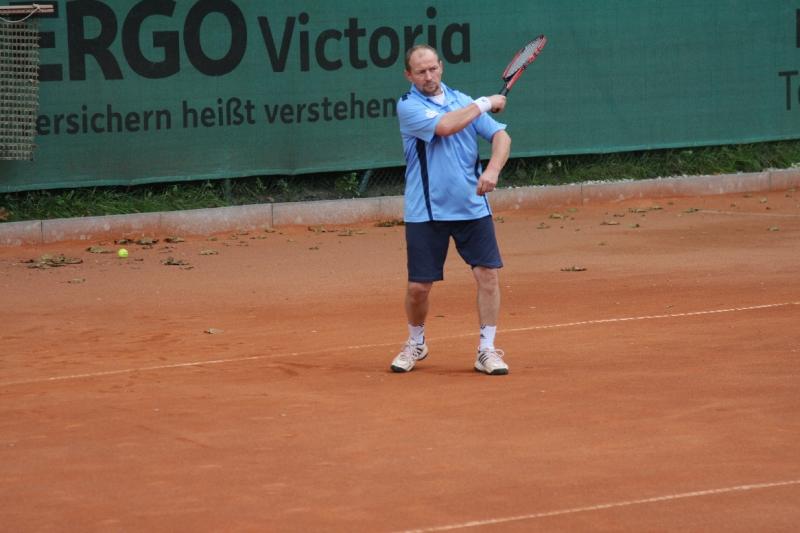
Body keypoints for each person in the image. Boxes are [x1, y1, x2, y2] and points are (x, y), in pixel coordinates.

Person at [390, 44, 512, 375]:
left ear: (441, 67)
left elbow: (501, 137)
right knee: (418, 288)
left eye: (433, 69)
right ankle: (416, 341)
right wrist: (484, 103)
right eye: (421, 72)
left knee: (488, 276)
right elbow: (445, 126)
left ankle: (486, 350)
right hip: (426, 211)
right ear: (409, 75)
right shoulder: (409, 106)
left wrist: (493, 170)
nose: (429, 76)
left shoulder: (462, 100)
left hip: (473, 207)